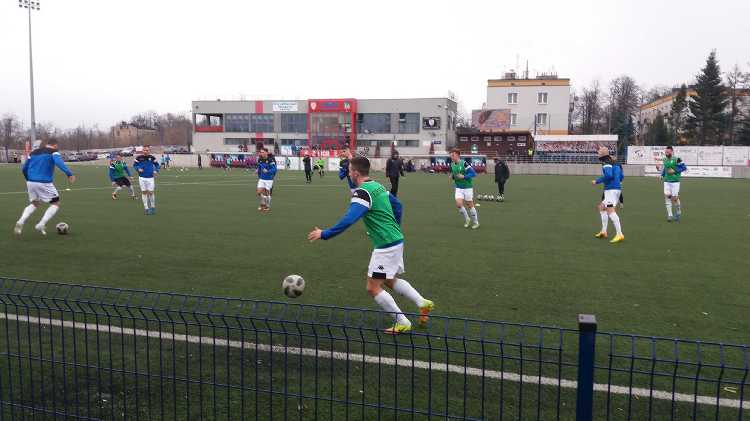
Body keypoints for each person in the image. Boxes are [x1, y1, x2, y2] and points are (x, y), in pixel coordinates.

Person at [308, 156, 434, 335]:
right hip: (395, 240)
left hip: (386, 245)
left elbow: (349, 219)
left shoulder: (362, 193)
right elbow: (398, 206)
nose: (348, 173)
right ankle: (422, 303)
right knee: (388, 279)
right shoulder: (378, 186)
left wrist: (325, 234)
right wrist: (394, 227)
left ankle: (402, 321)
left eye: (349, 171)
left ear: (356, 173)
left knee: (372, 287)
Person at [14, 138, 76, 236]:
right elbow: (59, 162)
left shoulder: (33, 152)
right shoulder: (54, 152)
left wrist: (28, 179)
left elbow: (24, 168)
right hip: (44, 182)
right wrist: (69, 174)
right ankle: (41, 224)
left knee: (34, 203)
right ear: (55, 145)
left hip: (30, 181)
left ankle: (21, 221)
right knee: (56, 203)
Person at [592, 147, 624, 243]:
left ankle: (619, 234)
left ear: (602, 155)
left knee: (610, 211)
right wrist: (617, 182)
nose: (598, 154)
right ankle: (604, 231)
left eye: (598, 153)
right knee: (601, 207)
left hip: (611, 190)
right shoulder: (616, 163)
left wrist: (597, 181)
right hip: (616, 189)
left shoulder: (606, 163)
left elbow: (609, 175)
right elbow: (622, 176)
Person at [449, 149, 479, 229]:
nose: (451, 157)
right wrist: (452, 176)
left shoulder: (464, 163)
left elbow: (473, 174)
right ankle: (467, 219)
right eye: (451, 155)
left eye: (453, 155)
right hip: (458, 188)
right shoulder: (452, 164)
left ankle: (476, 222)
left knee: (470, 205)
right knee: (459, 204)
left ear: (458, 155)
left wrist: (464, 176)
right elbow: (454, 173)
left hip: (467, 187)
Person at [657, 146, 687, 222]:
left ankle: (678, 211)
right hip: (667, 181)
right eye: (665, 152)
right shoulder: (665, 159)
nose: (666, 153)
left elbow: (684, 167)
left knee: (675, 198)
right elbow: (665, 169)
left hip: (675, 181)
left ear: (671, 152)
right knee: (667, 196)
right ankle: (670, 215)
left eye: (668, 152)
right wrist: (662, 175)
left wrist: (675, 171)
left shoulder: (677, 159)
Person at [133, 145, 160, 215]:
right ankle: (146, 208)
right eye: (144, 150)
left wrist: (156, 170)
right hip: (142, 178)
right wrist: (138, 169)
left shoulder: (152, 157)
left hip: (150, 178)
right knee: (144, 192)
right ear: (142, 150)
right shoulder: (138, 158)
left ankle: (153, 207)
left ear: (149, 151)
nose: (146, 151)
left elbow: (157, 165)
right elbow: (135, 165)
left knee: (151, 192)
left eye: (147, 150)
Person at [256, 148, 277, 212]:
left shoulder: (271, 160)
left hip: (269, 179)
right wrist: (258, 171)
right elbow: (259, 167)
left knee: (267, 193)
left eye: (263, 152)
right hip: (262, 178)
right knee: (259, 192)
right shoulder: (260, 159)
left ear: (266, 153)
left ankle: (267, 206)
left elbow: (275, 169)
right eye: (261, 152)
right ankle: (263, 202)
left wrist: (268, 171)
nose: (261, 153)